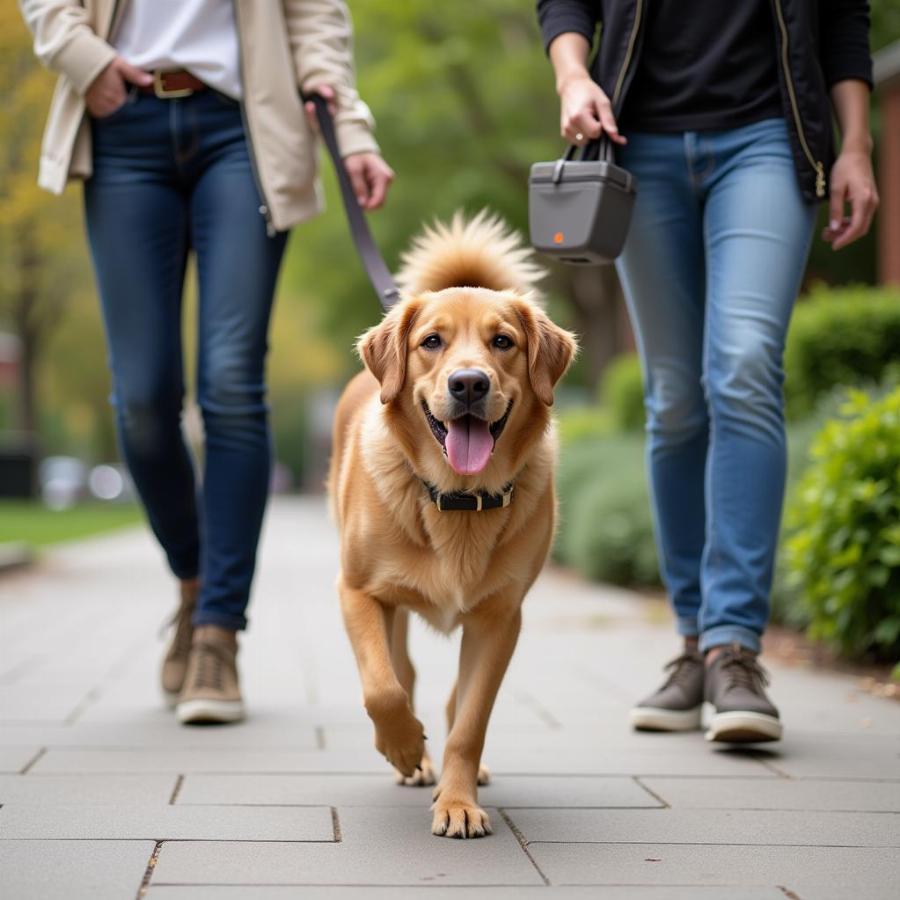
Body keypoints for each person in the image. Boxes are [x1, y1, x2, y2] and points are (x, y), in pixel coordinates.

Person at [19, 0, 394, 725]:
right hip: (121, 120)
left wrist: (350, 131)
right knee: (143, 397)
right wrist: (85, 59)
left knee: (230, 382)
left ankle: (219, 633)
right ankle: (194, 582)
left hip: (245, 130)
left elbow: (315, 19)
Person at [537, 0, 877, 742]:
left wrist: (855, 144)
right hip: (638, 140)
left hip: (767, 136)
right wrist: (571, 74)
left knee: (745, 365)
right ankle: (692, 642)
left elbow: (845, 19)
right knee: (676, 399)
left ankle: (735, 648)